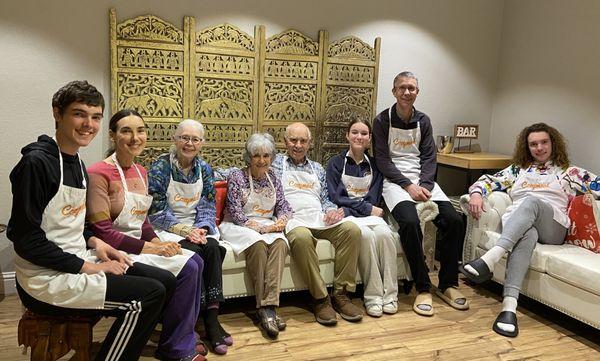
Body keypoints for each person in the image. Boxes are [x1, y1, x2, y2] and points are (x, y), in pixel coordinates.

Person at [7, 81, 168, 361]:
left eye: (95, 117)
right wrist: (91, 266)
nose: (88, 124)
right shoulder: (37, 163)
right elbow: (25, 240)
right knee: (148, 296)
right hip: (45, 278)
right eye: (79, 114)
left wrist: (97, 243)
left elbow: (75, 224)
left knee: (164, 279)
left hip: (74, 257)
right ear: (57, 113)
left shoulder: (77, 164)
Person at [460, 122, 599, 337]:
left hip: (553, 228)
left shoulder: (568, 172)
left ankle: (490, 258)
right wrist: (477, 194)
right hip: (519, 224)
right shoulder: (517, 170)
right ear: (527, 147)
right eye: (533, 144)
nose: (539, 148)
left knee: (531, 202)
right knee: (528, 233)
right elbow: (488, 180)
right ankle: (508, 309)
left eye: (544, 142)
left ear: (553, 143)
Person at [87, 109, 205, 361]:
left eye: (140, 130)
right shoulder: (99, 172)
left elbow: (143, 222)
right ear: (112, 136)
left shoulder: (141, 171)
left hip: (139, 246)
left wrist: (159, 242)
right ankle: (178, 347)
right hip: (114, 251)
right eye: (126, 131)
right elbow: (103, 231)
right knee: (183, 269)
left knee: (195, 261)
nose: (134, 137)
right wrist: (153, 249)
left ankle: (175, 339)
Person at [372, 71, 468, 317]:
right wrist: (407, 186)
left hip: (423, 180)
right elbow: (382, 160)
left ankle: (447, 284)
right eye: (402, 88)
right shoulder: (382, 121)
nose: (407, 92)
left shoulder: (423, 120)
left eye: (412, 88)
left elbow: (429, 157)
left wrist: (425, 184)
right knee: (410, 222)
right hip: (394, 182)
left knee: (454, 220)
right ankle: (423, 286)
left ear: (417, 92)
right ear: (394, 91)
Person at [148, 119, 230, 354]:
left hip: (196, 227)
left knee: (213, 249)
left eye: (195, 139)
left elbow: (207, 203)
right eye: (184, 137)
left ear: (201, 143)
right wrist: (185, 232)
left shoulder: (204, 168)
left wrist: (202, 227)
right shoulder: (161, 167)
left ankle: (212, 319)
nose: (189, 143)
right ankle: (191, 322)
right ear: (175, 139)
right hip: (167, 229)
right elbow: (156, 210)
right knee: (194, 255)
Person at [272, 122, 363, 326]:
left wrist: (331, 210)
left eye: (303, 141)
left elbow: (325, 198)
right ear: (285, 141)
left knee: (352, 230)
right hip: (293, 219)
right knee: (302, 238)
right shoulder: (275, 163)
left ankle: (341, 294)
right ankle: (321, 299)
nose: (298, 145)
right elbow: (245, 170)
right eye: (293, 140)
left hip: (318, 217)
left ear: (309, 144)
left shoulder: (318, 168)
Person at [219, 133, 292, 338]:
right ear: (248, 157)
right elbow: (236, 212)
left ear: (272, 157)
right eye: (257, 155)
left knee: (280, 243)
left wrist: (282, 220)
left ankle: (268, 307)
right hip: (239, 226)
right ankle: (266, 309)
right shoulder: (237, 177)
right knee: (259, 245)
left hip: (267, 225)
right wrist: (260, 228)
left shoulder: (274, 178)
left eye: (266, 156)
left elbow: (284, 206)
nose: (262, 161)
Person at [326, 119, 398, 317]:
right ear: (347, 136)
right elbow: (336, 197)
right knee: (365, 237)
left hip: (367, 215)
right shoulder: (335, 163)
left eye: (364, 133)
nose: (359, 137)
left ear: (369, 139)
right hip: (351, 218)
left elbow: (374, 198)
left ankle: (391, 295)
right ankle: (373, 297)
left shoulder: (375, 166)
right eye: (355, 132)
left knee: (385, 235)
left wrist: (358, 207)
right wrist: (362, 208)